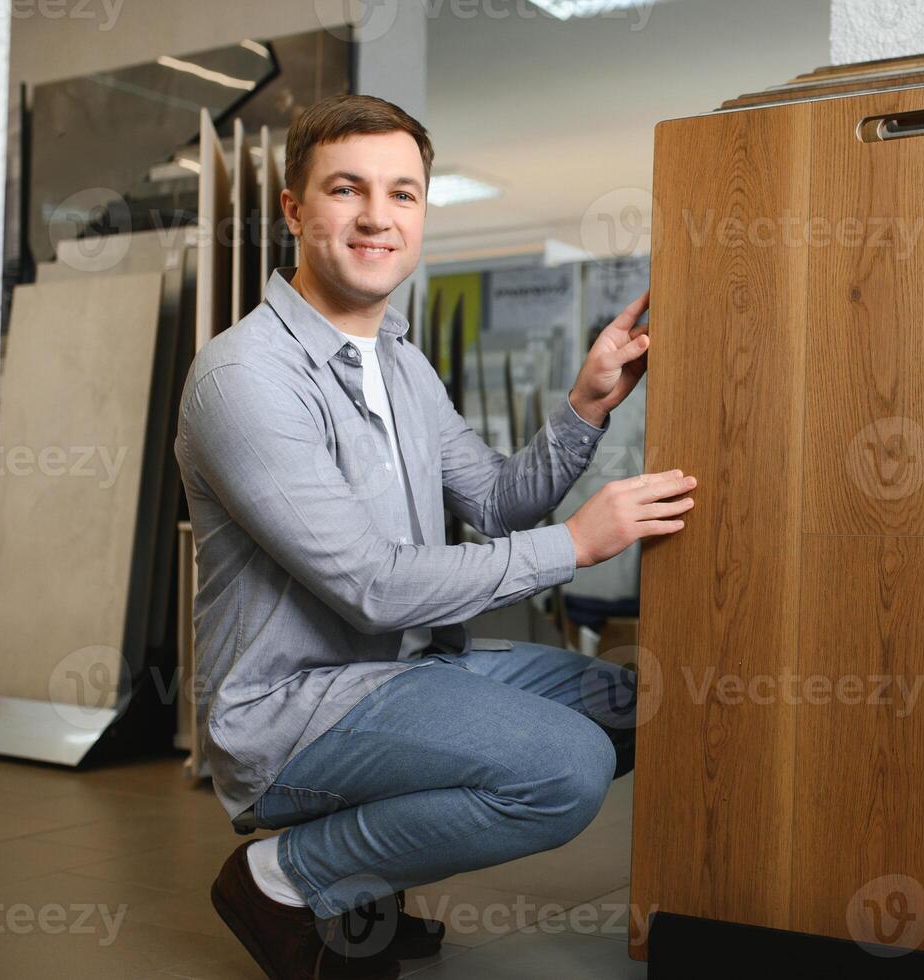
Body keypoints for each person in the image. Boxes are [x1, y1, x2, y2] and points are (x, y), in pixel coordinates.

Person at [176, 93, 694, 980]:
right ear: (297, 210)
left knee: (629, 705)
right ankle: (284, 877)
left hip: (405, 670)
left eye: (404, 194)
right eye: (348, 190)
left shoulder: (400, 361)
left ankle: (361, 892)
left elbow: (494, 499)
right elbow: (372, 586)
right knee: (563, 769)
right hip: (294, 707)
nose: (379, 217)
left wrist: (586, 403)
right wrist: (575, 545)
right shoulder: (243, 379)